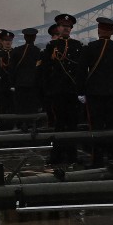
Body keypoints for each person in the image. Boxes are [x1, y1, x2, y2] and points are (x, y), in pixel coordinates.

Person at [79, 16, 113, 167]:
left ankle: (97, 159)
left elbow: (81, 71)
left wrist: (80, 92)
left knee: (95, 128)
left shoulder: (89, 48)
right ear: (112, 31)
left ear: (98, 30)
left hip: (94, 94)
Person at [37, 14, 83, 165]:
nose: (66, 28)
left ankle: (71, 156)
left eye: (69, 26)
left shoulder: (77, 45)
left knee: (72, 124)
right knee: (59, 124)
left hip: (72, 91)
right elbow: (45, 70)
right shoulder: (51, 47)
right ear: (58, 28)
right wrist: (47, 91)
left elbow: (82, 70)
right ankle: (56, 155)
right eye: (63, 26)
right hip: (57, 92)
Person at [9, 27, 43, 121]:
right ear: (35, 38)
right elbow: (40, 70)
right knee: (32, 109)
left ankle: (21, 126)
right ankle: (32, 125)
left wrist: (12, 84)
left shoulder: (16, 51)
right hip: (33, 85)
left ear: (24, 37)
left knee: (21, 108)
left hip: (20, 84)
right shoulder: (38, 51)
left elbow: (11, 69)